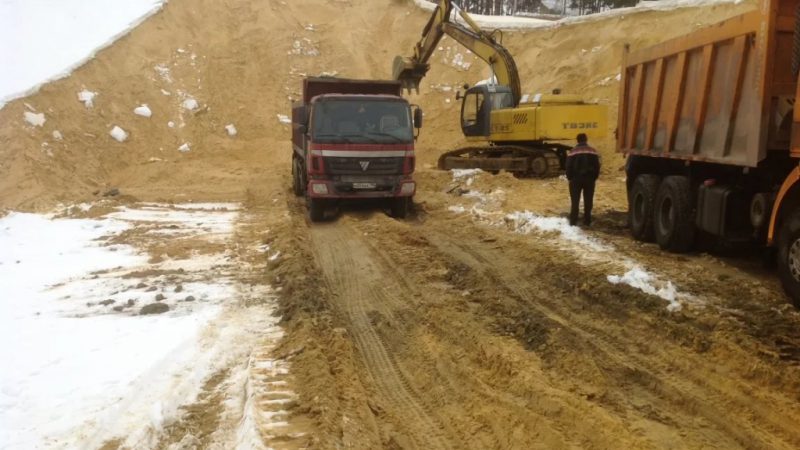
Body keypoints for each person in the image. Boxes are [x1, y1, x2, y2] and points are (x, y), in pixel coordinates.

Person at [565, 133, 601, 226]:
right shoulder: (593, 151)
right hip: (589, 180)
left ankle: (573, 222)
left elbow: (568, 166)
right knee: (588, 200)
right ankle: (587, 221)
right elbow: (597, 166)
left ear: (577, 140)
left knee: (575, 201)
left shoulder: (572, 152)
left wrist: (570, 178)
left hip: (575, 180)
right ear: (586, 140)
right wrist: (594, 178)